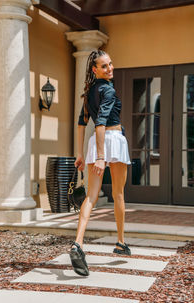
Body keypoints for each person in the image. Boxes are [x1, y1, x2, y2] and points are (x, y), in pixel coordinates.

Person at [69, 50, 131, 277]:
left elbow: (80, 124)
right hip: (111, 140)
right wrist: (103, 156)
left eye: (110, 64)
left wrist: (80, 154)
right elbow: (101, 123)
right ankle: (121, 242)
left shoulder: (88, 93)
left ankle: (77, 244)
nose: (110, 68)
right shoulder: (108, 89)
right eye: (104, 66)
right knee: (119, 194)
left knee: (90, 197)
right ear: (94, 69)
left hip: (96, 143)